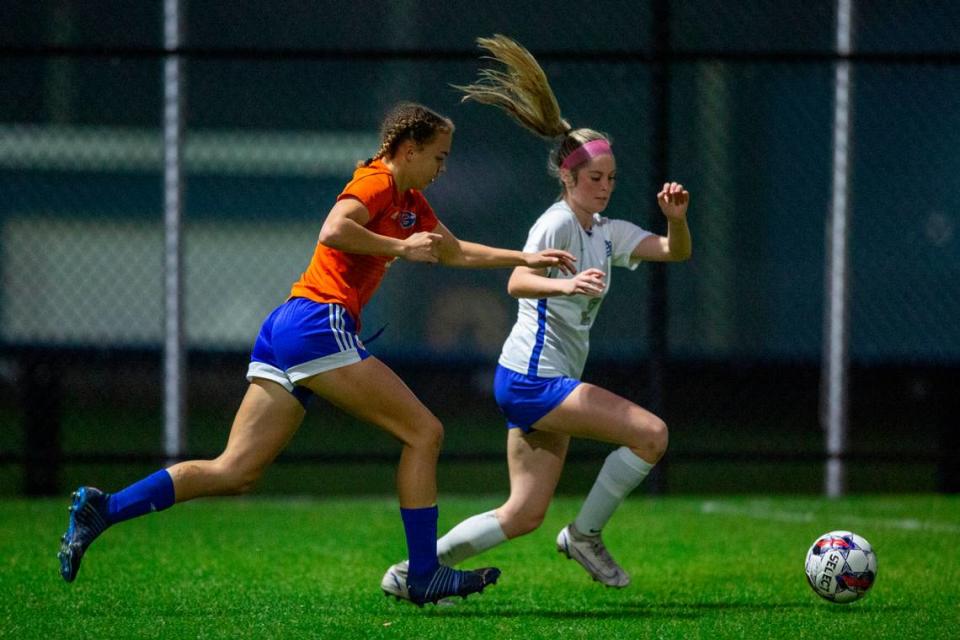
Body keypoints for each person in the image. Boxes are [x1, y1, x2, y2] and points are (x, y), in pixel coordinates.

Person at [57, 101, 577, 607]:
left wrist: (526, 257)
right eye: (438, 156)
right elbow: (333, 229)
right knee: (425, 432)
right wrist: (399, 248)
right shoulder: (377, 181)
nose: (443, 167)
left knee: (236, 470)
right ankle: (422, 576)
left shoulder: (409, 203)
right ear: (409, 149)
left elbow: (453, 250)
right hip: (316, 324)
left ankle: (104, 508)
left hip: (288, 326)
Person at [381, 36, 691, 598]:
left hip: (540, 382)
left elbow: (675, 252)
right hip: (532, 379)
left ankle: (411, 572)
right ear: (568, 179)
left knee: (522, 513)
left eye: (611, 179)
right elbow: (517, 281)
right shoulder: (556, 223)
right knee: (651, 434)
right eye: (594, 178)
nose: (604, 186)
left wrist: (677, 219)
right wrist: (566, 281)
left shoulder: (606, 231)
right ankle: (585, 535)